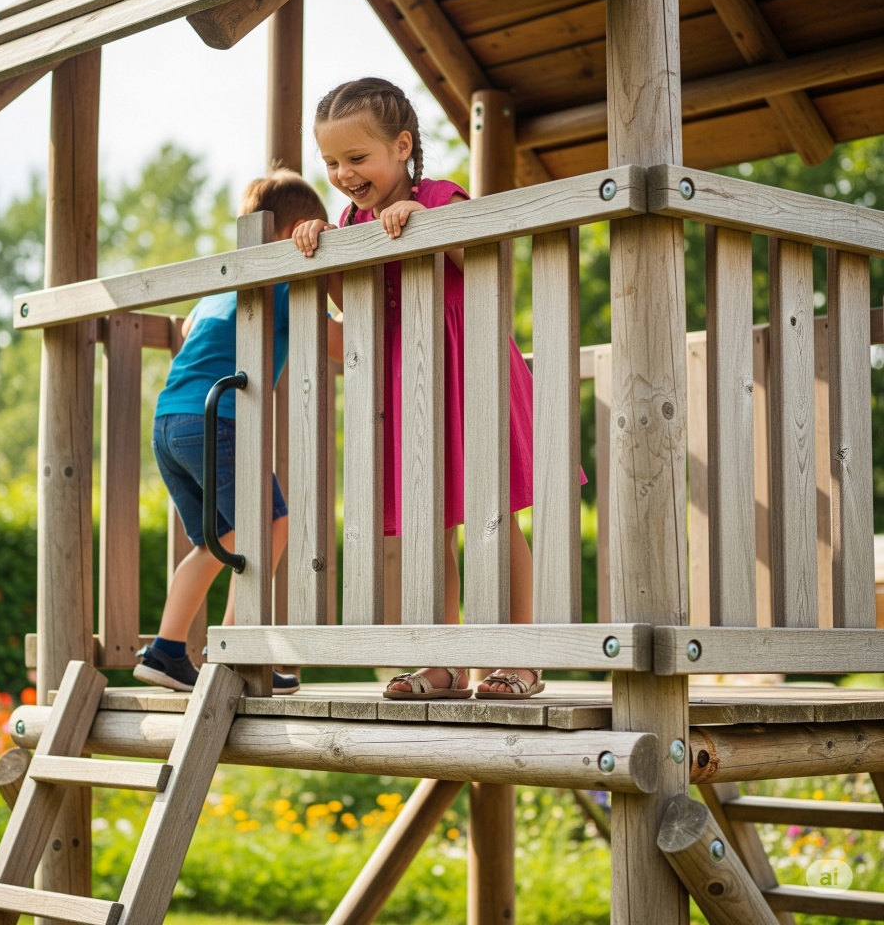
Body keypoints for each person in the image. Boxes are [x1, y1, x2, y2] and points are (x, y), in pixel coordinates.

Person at [294, 77, 583, 700]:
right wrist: (324, 255)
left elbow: (480, 258)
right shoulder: (350, 219)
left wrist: (426, 222)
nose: (344, 174)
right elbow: (356, 305)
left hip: (466, 372)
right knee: (428, 525)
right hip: (409, 389)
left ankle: (519, 656)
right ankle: (444, 661)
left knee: (493, 515)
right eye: (331, 163)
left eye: (356, 158)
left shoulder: (440, 195)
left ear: (401, 146)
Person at [135, 168, 342, 693]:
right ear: (293, 234)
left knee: (220, 538)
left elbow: (185, 331)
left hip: (170, 423)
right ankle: (236, 650)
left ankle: (166, 652)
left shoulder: (220, 290)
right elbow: (341, 343)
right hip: (217, 422)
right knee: (271, 523)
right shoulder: (285, 284)